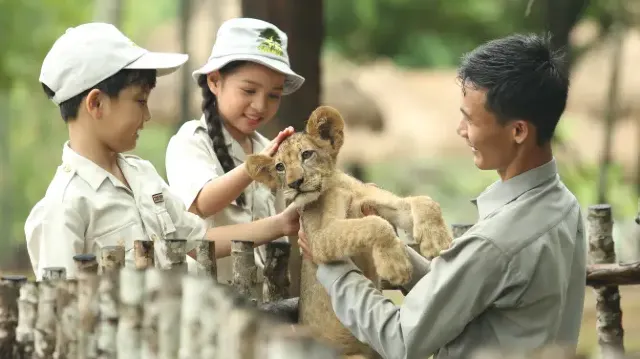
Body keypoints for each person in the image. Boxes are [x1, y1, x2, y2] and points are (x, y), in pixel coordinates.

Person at [298, 33, 587, 358]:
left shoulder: (497, 243)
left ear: (518, 131)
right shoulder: (563, 205)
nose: (460, 130)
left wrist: (333, 268)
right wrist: (392, 244)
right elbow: (456, 291)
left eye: (470, 119)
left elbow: (402, 340)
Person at [24, 22, 300, 281]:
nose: (147, 115)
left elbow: (200, 241)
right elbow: (61, 310)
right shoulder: (63, 208)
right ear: (96, 104)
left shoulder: (143, 176)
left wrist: (281, 224)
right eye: (140, 101)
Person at [164, 18, 304, 281]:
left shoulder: (267, 148)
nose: (260, 105)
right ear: (215, 81)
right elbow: (202, 203)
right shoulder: (191, 142)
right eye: (249, 90)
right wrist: (254, 168)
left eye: (273, 95)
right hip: (210, 303)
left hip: (262, 301)